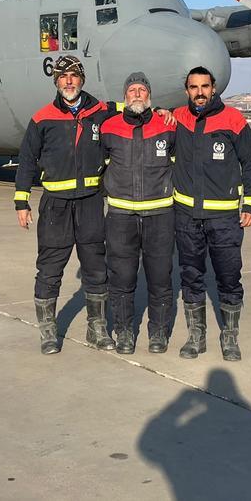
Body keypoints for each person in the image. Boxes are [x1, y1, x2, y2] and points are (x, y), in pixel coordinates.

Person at [15, 55, 117, 354]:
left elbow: (132, 109)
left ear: (82, 79)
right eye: (63, 76)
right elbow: (26, 162)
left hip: (89, 204)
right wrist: (22, 202)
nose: (69, 81)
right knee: (49, 269)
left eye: (73, 75)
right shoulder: (42, 118)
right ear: (56, 81)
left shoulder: (100, 112)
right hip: (55, 206)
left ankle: (97, 330)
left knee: (96, 268)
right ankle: (48, 331)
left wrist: (161, 111)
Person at [171, 66, 251, 361]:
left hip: (224, 218)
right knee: (191, 276)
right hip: (187, 215)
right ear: (187, 90)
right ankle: (195, 336)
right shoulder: (177, 119)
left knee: (228, 276)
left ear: (214, 88)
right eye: (194, 87)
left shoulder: (233, 120)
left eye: (204, 87)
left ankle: (230, 336)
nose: (199, 92)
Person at [100, 72, 177, 354]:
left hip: (159, 215)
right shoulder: (109, 127)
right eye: (132, 89)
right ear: (124, 96)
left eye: (142, 90)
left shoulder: (168, 126)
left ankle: (158, 332)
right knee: (121, 278)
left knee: (160, 277)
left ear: (149, 96)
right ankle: (124, 332)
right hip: (121, 216)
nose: (136, 94)